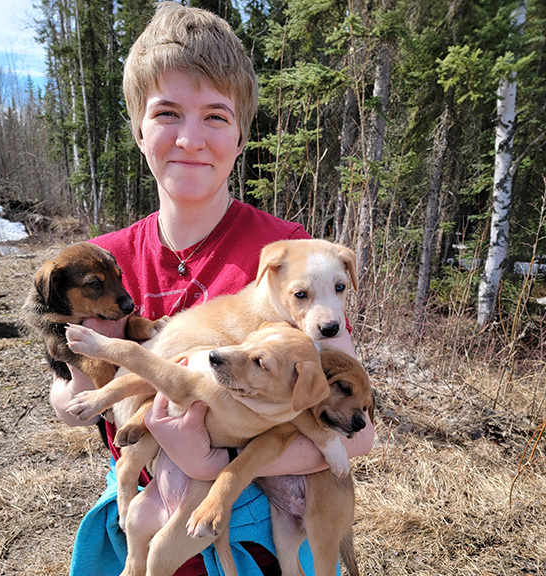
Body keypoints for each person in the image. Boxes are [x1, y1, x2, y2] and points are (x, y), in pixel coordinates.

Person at [49, 3, 374, 575]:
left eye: (217, 117)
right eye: (167, 112)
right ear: (138, 127)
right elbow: (69, 389)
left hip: (261, 541)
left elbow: (357, 434)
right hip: (143, 522)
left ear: (243, 132)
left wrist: (211, 462)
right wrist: (78, 399)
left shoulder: (293, 260)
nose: (191, 138)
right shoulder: (103, 263)